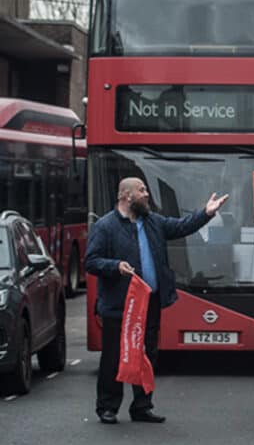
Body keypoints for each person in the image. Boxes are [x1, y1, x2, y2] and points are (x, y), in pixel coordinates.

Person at [85, 178, 228, 425]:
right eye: (142, 190)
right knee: (113, 356)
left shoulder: (152, 222)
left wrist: (206, 213)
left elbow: (182, 226)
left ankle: (142, 406)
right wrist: (115, 265)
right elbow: (91, 261)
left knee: (147, 355)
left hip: (148, 302)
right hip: (119, 305)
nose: (147, 194)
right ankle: (107, 407)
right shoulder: (105, 226)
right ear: (126, 196)